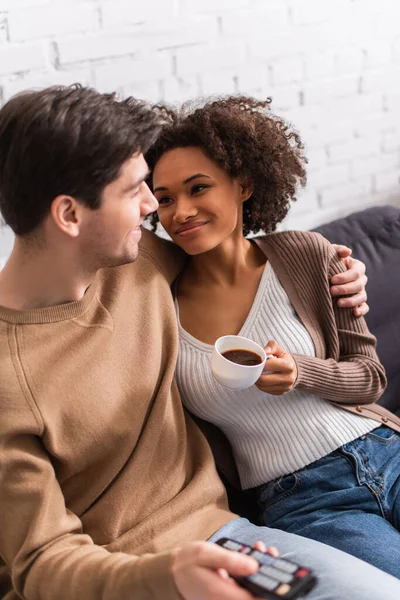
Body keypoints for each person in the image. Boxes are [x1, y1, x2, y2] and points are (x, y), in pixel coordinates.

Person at [0, 86, 399, 600]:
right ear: (70, 216)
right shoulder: (9, 376)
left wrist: (341, 275)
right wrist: (163, 577)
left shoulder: (137, 261)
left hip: (230, 539)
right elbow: (41, 562)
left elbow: (235, 257)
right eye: (139, 192)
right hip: (130, 577)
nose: (155, 211)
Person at [146, 95, 400, 578]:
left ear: (243, 185)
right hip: (305, 500)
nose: (181, 211)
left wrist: (301, 372)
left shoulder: (306, 255)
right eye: (164, 198)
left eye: (199, 188)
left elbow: (370, 378)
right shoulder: (160, 307)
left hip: (385, 450)